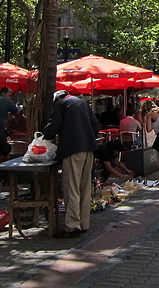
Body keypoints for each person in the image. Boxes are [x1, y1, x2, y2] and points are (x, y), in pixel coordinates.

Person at [43, 90, 100, 238]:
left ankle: (72, 226)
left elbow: (52, 128)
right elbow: (95, 126)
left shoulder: (61, 105)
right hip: (89, 148)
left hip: (73, 149)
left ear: (57, 99)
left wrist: (45, 137)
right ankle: (84, 223)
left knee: (72, 187)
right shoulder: (82, 103)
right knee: (84, 187)